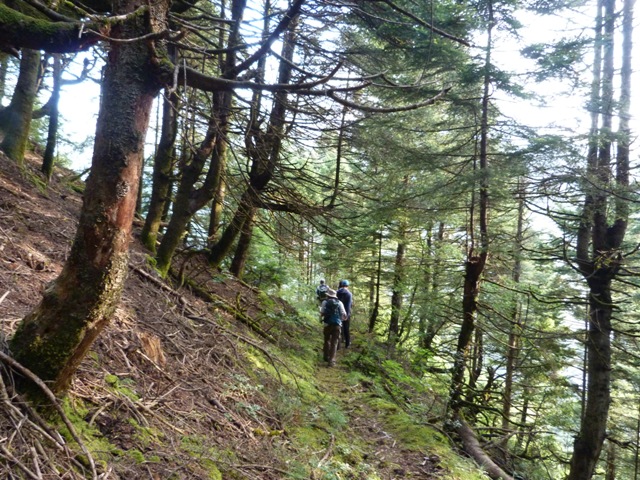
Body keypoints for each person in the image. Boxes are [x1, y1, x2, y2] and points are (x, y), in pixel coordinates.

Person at [319, 288, 347, 367]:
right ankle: (331, 361)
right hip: (337, 325)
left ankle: (326, 356)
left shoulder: (325, 302)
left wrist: (322, 318)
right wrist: (341, 320)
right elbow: (344, 315)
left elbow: (322, 313)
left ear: (328, 295)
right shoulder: (340, 303)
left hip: (327, 324)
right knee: (334, 343)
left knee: (327, 340)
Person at [336, 280, 353, 348]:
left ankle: (338, 345)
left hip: (337, 313)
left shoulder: (337, 292)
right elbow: (349, 305)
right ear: (347, 286)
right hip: (346, 313)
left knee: (338, 328)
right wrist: (347, 315)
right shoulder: (349, 294)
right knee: (346, 328)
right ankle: (347, 344)